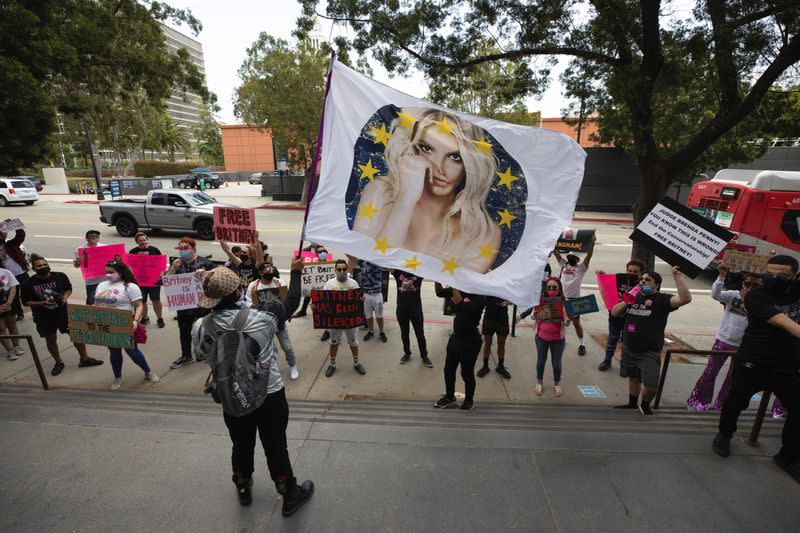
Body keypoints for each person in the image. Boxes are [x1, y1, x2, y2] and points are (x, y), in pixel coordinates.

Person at [191, 265, 314, 514]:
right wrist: (296, 271)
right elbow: (289, 303)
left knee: (241, 443)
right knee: (275, 444)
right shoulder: (263, 316)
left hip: (231, 397)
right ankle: (289, 493)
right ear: (238, 291)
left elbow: (201, 356)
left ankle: (243, 486)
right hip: (269, 395)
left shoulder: (200, 326)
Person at [353, 108, 501, 273]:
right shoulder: (380, 192)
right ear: (410, 148)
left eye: (455, 157)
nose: (440, 167)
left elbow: (459, 290)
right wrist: (406, 199)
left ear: (469, 164)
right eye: (427, 148)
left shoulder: (483, 232)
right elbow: (366, 267)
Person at [714, 255, 800, 481]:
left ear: (794, 277)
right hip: (753, 361)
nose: (774, 279)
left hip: (788, 366)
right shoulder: (757, 296)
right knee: (737, 401)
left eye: (782, 276)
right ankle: (724, 435)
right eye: (770, 274)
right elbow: (785, 323)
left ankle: (788, 455)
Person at [611, 267, 692, 415]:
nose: (642, 282)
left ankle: (645, 404)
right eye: (641, 280)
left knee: (651, 385)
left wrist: (676, 276)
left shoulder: (662, 299)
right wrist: (628, 300)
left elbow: (685, 299)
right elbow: (615, 313)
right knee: (633, 377)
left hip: (649, 351)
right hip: (629, 347)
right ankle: (632, 403)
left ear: (657, 285)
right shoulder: (632, 297)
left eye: (647, 280)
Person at [687, 266, 760, 411]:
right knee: (710, 372)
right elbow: (715, 294)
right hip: (723, 341)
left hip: (743, 346)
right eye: (748, 284)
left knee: (733, 378)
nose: (751, 288)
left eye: (756, 286)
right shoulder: (733, 295)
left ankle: (722, 405)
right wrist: (721, 276)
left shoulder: (761, 302)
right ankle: (700, 402)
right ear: (743, 284)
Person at [20, 254, 103, 375]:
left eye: (45, 265)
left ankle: (84, 359)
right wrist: (43, 303)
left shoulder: (60, 276)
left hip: (63, 312)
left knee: (77, 335)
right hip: (43, 317)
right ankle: (58, 362)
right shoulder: (27, 284)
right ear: (33, 268)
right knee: (51, 340)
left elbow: (68, 288)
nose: (43, 267)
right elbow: (26, 302)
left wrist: (64, 298)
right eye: (39, 266)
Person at [94, 260, 159, 390]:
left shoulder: (130, 286)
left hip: (125, 323)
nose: (108, 274)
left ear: (120, 272)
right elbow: (96, 305)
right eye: (106, 272)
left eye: (111, 272)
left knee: (132, 351)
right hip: (108, 322)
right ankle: (118, 377)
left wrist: (135, 320)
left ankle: (147, 372)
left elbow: (139, 305)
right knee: (114, 351)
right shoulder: (101, 285)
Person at [433, 282, 486, 410]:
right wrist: (437, 278)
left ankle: (468, 401)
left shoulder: (480, 295)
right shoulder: (458, 289)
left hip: (471, 340)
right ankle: (450, 397)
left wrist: (455, 284)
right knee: (449, 369)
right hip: (456, 337)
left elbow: (462, 307)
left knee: (466, 373)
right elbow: (439, 293)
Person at [166, 236, 214, 369]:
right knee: (184, 331)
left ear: (193, 248)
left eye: (185, 248)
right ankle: (186, 356)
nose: (182, 251)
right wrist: (172, 269)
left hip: (202, 305)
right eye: (180, 248)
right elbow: (168, 283)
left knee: (204, 330)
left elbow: (216, 280)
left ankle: (206, 353)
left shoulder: (205, 263)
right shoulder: (176, 264)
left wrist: (205, 273)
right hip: (184, 306)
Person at [246, 263, 299, 380]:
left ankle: (292, 365)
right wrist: (254, 307)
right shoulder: (253, 286)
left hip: (279, 321)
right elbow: (247, 301)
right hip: (262, 323)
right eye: (266, 270)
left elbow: (286, 301)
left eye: (271, 270)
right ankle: (272, 368)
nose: (270, 272)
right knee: (268, 348)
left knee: (287, 346)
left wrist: (287, 313)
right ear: (260, 273)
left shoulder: (279, 283)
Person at [319, 260, 365, 377]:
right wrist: (316, 305)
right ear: (335, 270)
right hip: (335, 321)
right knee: (334, 342)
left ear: (347, 269)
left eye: (344, 269)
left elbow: (359, 298)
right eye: (339, 269)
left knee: (353, 342)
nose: (342, 271)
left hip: (350, 321)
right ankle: (332, 364)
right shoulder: (329, 284)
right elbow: (322, 300)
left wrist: (361, 299)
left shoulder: (353, 283)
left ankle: (356, 363)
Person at [597, 259, 645, 371]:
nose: (632, 273)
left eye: (636, 272)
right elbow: (608, 282)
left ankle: (624, 364)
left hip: (632, 319)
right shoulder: (619, 278)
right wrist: (602, 275)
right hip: (615, 317)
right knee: (612, 339)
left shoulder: (643, 284)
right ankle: (607, 361)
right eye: (630, 270)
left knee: (627, 342)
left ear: (641, 273)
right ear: (626, 270)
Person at [553, 232, 595, 355]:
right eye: (570, 257)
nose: (571, 259)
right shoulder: (563, 264)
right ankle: (561, 339)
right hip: (561, 299)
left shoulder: (581, 268)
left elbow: (589, 255)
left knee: (576, 323)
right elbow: (555, 252)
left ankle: (582, 344)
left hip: (575, 301)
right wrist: (553, 241)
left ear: (577, 260)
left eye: (574, 258)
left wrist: (592, 243)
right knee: (560, 321)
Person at [533, 277, 570, 397]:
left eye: (554, 287)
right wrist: (536, 314)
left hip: (558, 339)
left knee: (557, 363)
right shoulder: (540, 301)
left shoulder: (564, 303)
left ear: (559, 289)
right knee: (540, 361)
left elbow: (565, 321)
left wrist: (567, 321)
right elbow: (534, 318)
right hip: (541, 337)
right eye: (549, 287)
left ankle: (556, 384)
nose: (551, 290)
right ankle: (539, 383)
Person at [393, 269, 431, 367]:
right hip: (402, 309)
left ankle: (424, 355)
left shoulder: (419, 272)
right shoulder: (398, 271)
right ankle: (407, 353)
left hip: (416, 309)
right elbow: (387, 263)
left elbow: (430, 268)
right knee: (404, 334)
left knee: (420, 335)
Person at [128, 232, 165, 328]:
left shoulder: (155, 250)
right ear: (137, 242)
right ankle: (145, 318)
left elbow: (161, 265)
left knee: (156, 300)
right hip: (140, 282)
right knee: (142, 301)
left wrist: (161, 275)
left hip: (154, 281)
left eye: (144, 240)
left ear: (147, 239)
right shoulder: (132, 252)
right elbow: (130, 267)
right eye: (140, 241)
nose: (143, 242)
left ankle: (159, 318)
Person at [476, 296, 512, 379]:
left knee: (501, 343)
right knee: (487, 343)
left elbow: (516, 296)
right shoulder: (487, 283)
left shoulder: (506, 283)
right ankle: (485, 366)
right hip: (489, 317)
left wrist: (509, 302)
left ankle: (500, 367)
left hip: (502, 317)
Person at [0, 221, 29, 322]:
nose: (3, 235)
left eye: (3, 233)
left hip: (22, 274)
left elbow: (20, 235)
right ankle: (20, 314)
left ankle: (36, 311)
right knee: (14, 297)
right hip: (9, 278)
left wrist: (13, 225)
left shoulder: (11, 245)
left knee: (29, 292)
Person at [293, 244, 328, 319]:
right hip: (311, 279)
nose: (322, 253)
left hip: (321, 281)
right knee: (308, 294)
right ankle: (303, 310)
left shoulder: (324, 253)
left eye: (323, 251)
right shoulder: (306, 251)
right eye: (320, 252)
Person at [73, 230, 107, 305]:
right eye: (92, 236)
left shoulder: (104, 247)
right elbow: (76, 265)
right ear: (86, 238)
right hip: (91, 281)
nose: (94, 238)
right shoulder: (80, 249)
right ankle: (89, 314)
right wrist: (79, 262)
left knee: (106, 299)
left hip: (105, 279)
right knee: (91, 298)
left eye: (96, 236)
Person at [359, 259, 387, 342]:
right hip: (366, 294)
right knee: (368, 315)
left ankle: (381, 332)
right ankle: (371, 331)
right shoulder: (362, 261)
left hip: (377, 294)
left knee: (379, 315)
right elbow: (352, 257)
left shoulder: (380, 261)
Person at [0, 266, 23, 359]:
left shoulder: (6, 272)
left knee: (12, 325)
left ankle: (16, 346)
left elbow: (13, 288)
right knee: (0, 328)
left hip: (8, 302)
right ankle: (9, 350)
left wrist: (9, 302)